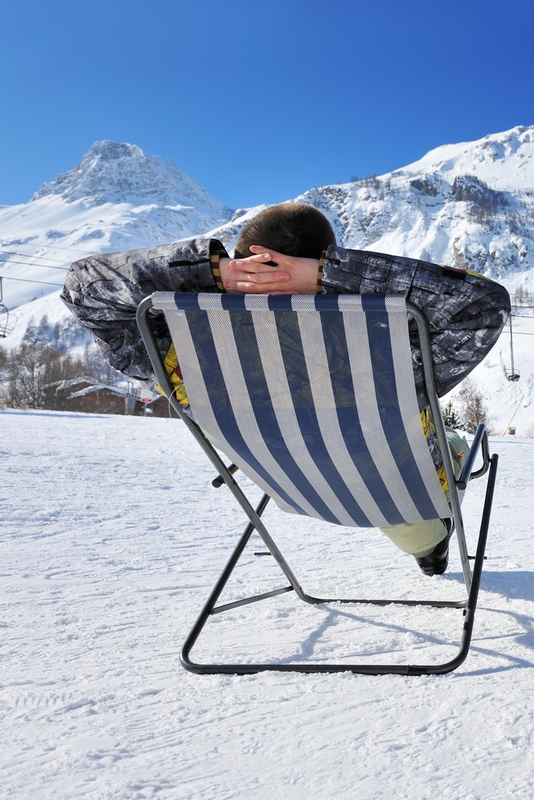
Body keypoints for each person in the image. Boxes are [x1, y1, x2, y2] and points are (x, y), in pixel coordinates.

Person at [61, 203, 511, 577]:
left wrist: (211, 273)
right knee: (434, 444)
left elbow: (83, 286)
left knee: (362, 450)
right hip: (398, 493)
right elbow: (484, 307)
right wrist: (326, 277)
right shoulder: (381, 344)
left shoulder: (184, 349)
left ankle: (428, 533)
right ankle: (431, 546)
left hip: (293, 485)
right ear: (323, 262)